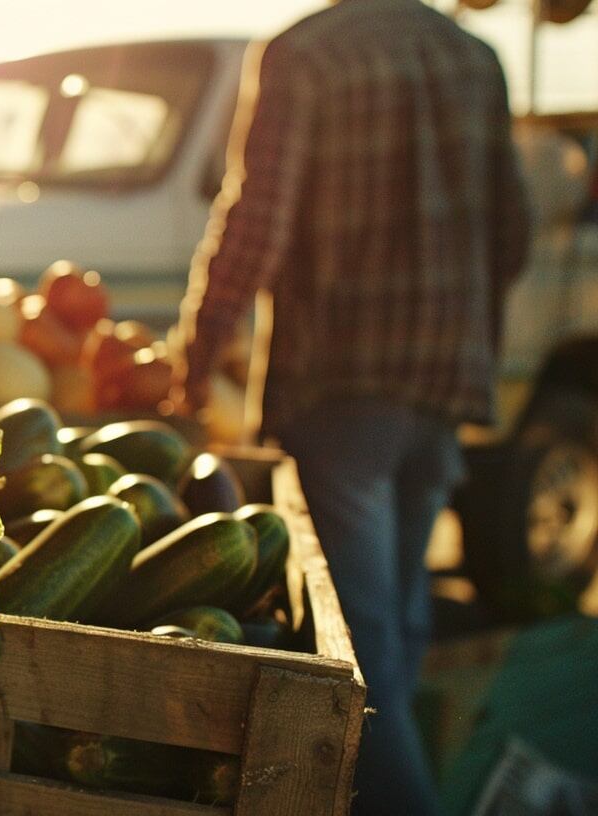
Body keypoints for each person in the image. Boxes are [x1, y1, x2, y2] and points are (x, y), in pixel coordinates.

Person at [170, 2, 531, 813]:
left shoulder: (307, 53)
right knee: (397, 634)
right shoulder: (471, 57)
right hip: (441, 384)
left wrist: (196, 359)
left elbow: (256, 224)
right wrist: (467, 331)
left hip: (339, 389)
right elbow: (514, 232)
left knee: (354, 665)